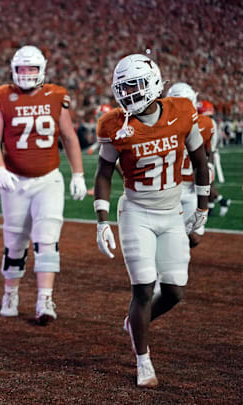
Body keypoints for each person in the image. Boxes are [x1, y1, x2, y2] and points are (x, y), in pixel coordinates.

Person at [94, 54, 210, 388]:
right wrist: (102, 220)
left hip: (172, 212)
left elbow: (200, 163)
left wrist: (202, 207)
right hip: (136, 212)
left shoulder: (182, 112)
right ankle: (143, 359)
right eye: (123, 88)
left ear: (154, 82)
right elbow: (103, 173)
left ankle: (135, 323)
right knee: (143, 286)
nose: (129, 94)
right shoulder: (114, 125)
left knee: (173, 291)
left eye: (136, 86)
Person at [0, 45, 86, 324]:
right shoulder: (2, 96)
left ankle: (45, 299)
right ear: (13, 70)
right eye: (22, 69)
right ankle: (11, 293)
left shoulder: (56, 95)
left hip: (48, 179)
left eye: (31, 69)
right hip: (16, 180)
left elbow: (68, 136)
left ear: (42, 70)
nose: (26, 74)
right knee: (15, 242)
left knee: (47, 239)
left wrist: (78, 174)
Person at [166, 83, 216, 247]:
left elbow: (209, 157)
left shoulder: (206, 124)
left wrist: (210, 184)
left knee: (193, 237)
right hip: (167, 186)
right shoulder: (161, 124)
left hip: (191, 187)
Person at [197, 100, 229, 216]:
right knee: (209, 183)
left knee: (205, 183)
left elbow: (207, 144)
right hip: (210, 154)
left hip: (208, 155)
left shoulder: (208, 123)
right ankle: (211, 207)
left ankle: (222, 200)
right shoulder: (211, 122)